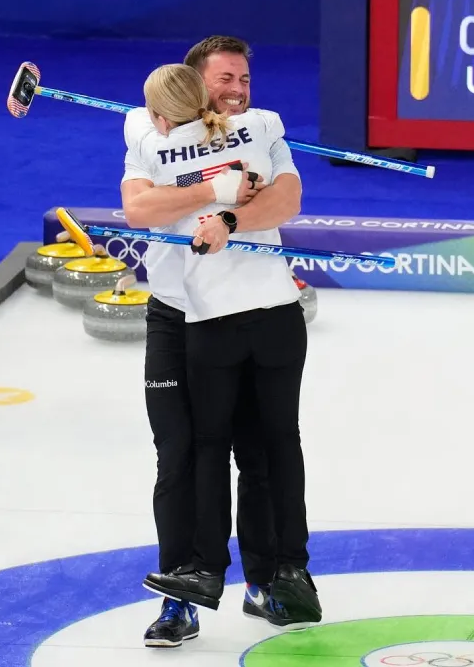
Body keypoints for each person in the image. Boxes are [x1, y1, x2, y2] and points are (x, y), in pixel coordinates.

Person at [119, 35, 299, 647]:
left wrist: (226, 218)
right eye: (226, 79)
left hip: (239, 314)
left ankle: (266, 580)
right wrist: (210, 190)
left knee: (257, 452)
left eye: (245, 79)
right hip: (174, 314)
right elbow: (139, 209)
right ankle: (181, 593)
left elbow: (284, 199)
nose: (237, 90)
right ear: (195, 85)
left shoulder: (260, 129)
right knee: (180, 454)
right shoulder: (148, 131)